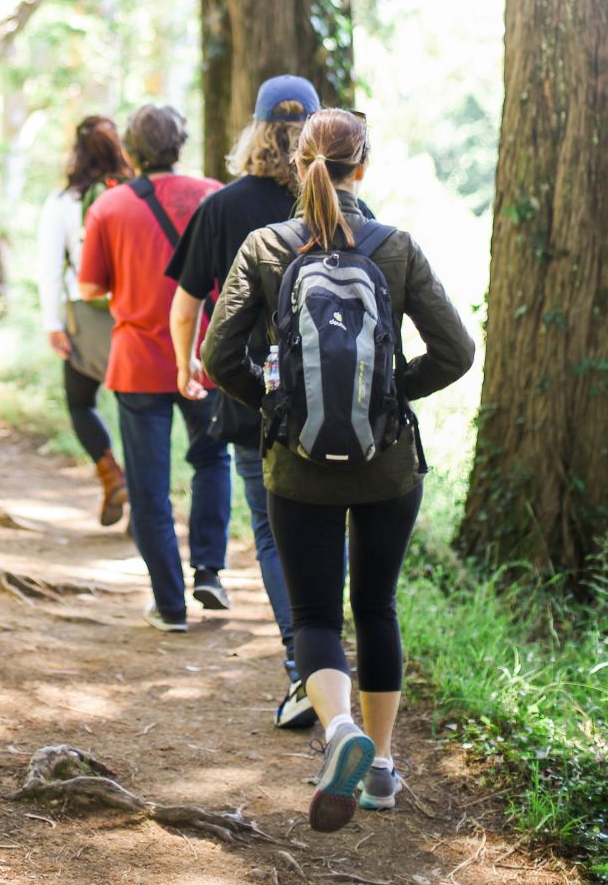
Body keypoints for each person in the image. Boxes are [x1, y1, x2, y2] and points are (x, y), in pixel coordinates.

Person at [203, 108, 474, 832]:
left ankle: (341, 730)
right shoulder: (396, 247)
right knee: (377, 606)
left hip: (297, 467)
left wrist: (277, 407)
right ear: (365, 165)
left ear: (297, 165)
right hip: (387, 468)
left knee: (318, 614)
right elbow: (456, 352)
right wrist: (388, 396)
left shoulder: (266, 246)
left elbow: (217, 358)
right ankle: (381, 769)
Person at [165, 75, 320, 726]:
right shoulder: (339, 204)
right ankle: (330, 658)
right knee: (326, 528)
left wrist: (185, 367)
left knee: (270, 531)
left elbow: (185, 305)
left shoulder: (223, 207)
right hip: (332, 397)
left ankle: (302, 667)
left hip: (251, 394)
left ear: (254, 131)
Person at [78, 104, 229, 632]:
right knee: (212, 460)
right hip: (205, 356)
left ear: (132, 151)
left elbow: (90, 287)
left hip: (139, 361)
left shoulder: (109, 207)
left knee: (149, 487)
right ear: (180, 144)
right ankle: (209, 569)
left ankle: (169, 605)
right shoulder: (212, 194)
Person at [37, 115, 134, 525]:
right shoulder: (136, 194)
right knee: (137, 411)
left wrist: (53, 324)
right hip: (135, 316)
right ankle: (144, 503)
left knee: (81, 403)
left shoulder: (63, 203)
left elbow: (48, 267)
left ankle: (111, 473)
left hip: (85, 317)